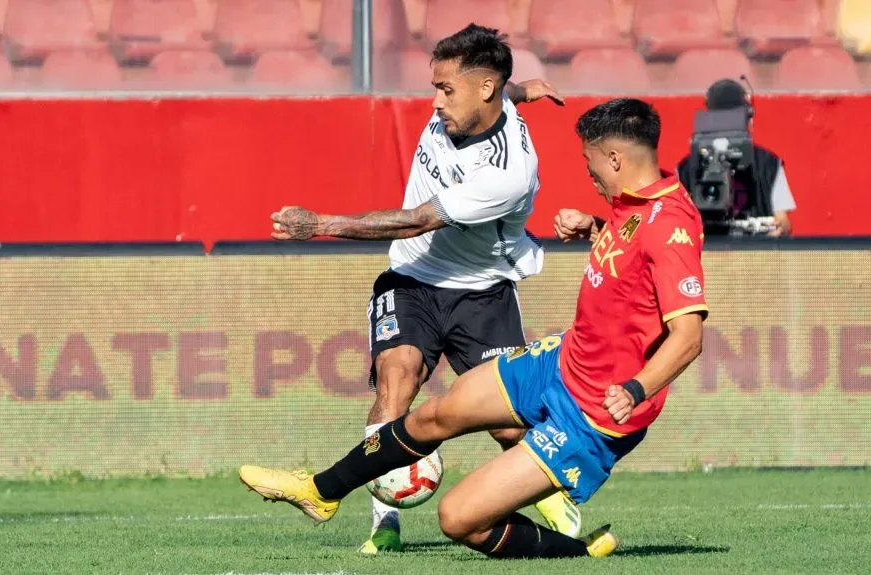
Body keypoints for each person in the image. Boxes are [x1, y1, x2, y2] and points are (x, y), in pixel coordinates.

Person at [240, 98, 708, 560]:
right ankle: (321, 492)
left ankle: (580, 552)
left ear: (615, 158)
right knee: (433, 415)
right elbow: (636, 254)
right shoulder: (636, 202)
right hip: (562, 362)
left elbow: (688, 336)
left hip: (593, 413)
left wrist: (635, 388)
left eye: (591, 166)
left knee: (459, 519)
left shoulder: (671, 227)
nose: (590, 176)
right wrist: (595, 227)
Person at [259, 23, 579, 554]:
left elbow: (414, 221)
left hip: (482, 292)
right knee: (396, 382)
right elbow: (507, 92)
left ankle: (555, 507)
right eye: (434, 87)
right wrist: (529, 89)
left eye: (445, 89)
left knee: (508, 425)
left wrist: (319, 223)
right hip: (412, 280)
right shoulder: (483, 100)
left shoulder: (507, 172)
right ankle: (384, 520)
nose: (434, 103)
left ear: (484, 90)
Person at [676, 78, 796, 237]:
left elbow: (782, 223)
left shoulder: (768, 164)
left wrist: (775, 231)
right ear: (748, 117)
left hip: (754, 252)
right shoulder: (687, 168)